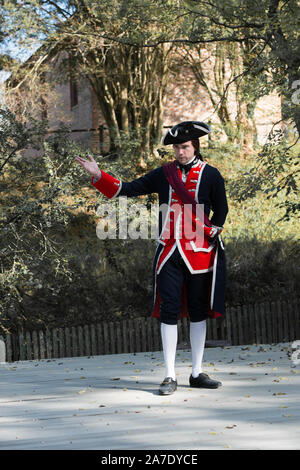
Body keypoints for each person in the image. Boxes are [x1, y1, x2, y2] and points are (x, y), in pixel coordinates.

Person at [75, 120, 228, 395]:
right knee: (168, 310)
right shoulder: (163, 174)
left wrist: (214, 229)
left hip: (200, 254)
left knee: (197, 311)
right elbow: (127, 189)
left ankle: (196, 372)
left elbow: (222, 210)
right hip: (168, 253)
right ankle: (170, 376)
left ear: (195, 146)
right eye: (176, 148)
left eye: (184, 147)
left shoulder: (212, 175)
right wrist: (99, 175)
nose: (179, 152)